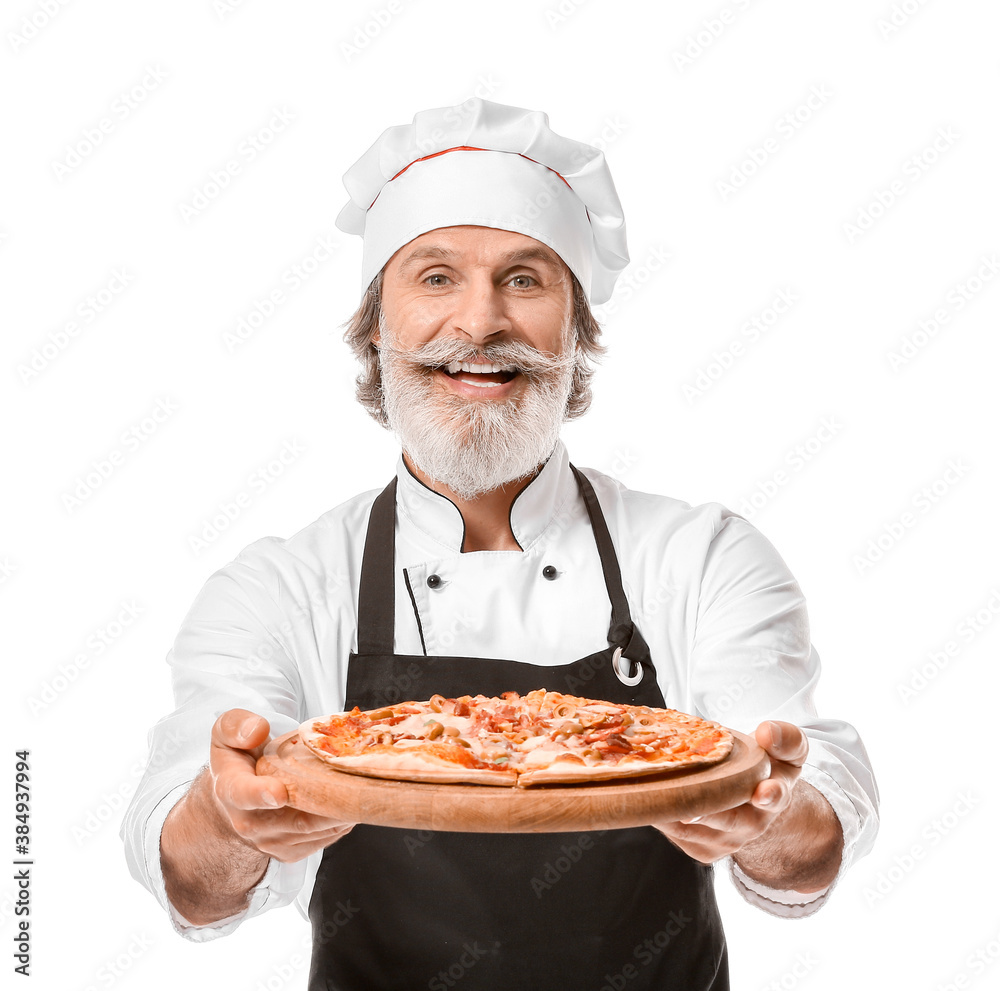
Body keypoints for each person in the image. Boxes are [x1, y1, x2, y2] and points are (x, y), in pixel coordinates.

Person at [122, 98, 879, 991]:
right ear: (376, 327)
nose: (479, 325)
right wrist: (229, 815)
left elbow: (813, 835)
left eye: (524, 280)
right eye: (435, 277)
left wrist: (771, 815)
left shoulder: (700, 555)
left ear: (577, 335)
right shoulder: (282, 587)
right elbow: (190, 878)